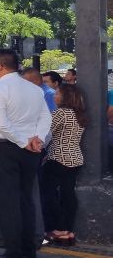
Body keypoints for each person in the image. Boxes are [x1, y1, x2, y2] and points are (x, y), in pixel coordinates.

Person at [0, 49, 51, 258]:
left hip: (7, 149)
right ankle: (29, 248)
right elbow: (45, 118)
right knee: (26, 199)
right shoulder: (34, 89)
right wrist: (37, 140)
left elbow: (2, 125)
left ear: (0, 65)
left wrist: (25, 141)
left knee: (8, 202)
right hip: (30, 150)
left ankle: (14, 252)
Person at [41, 84, 87, 246]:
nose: (54, 95)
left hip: (58, 158)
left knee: (49, 194)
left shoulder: (61, 113)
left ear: (65, 96)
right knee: (68, 194)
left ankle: (58, 230)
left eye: (58, 93)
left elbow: (46, 131)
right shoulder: (78, 114)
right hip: (75, 158)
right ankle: (68, 230)